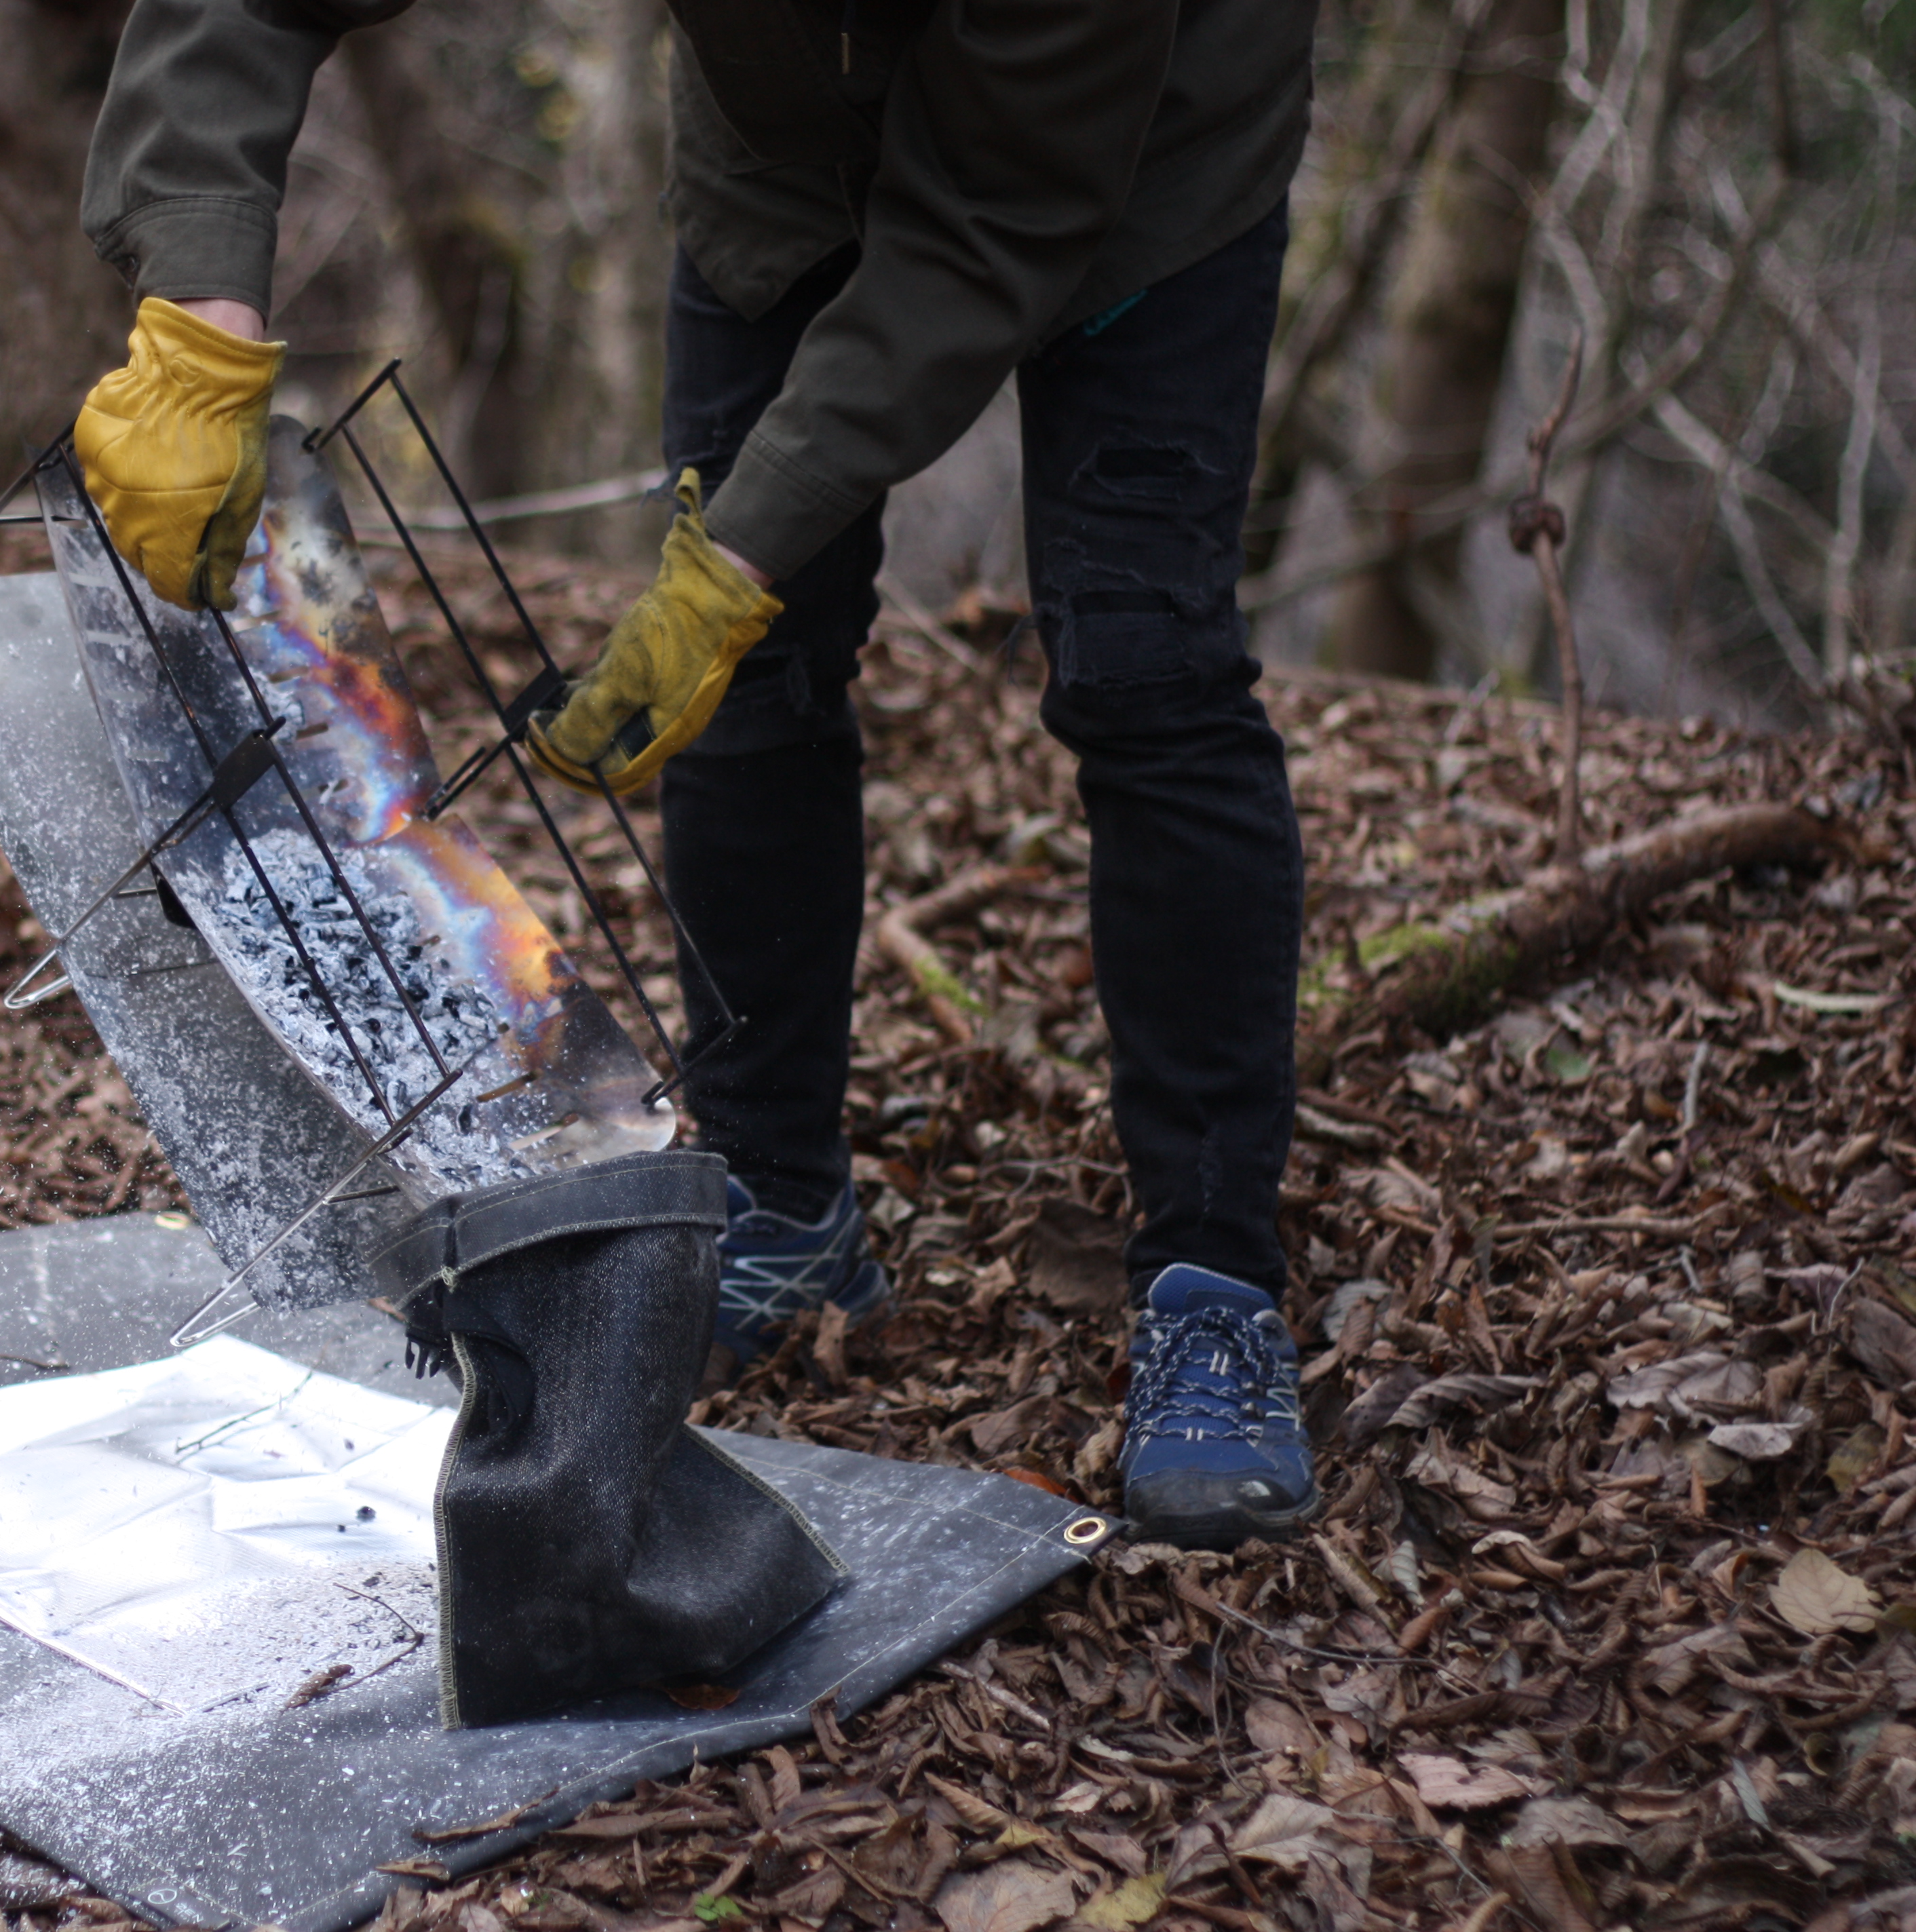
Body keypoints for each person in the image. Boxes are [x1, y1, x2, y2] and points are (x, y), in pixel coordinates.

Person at [67, 0, 1319, 1551]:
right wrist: (198, 315)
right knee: (762, 682)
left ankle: (1213, 1282)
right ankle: (782, 1213)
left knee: (1149, 672)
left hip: (1141, 176)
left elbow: (989, 230)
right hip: (779, 159)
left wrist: (735, 557)